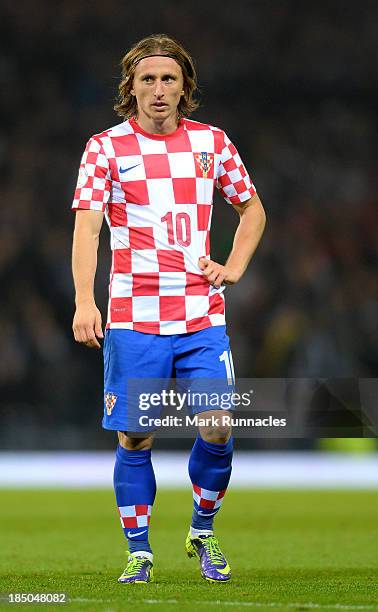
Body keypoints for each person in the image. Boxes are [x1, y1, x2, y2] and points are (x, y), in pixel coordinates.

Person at [71, 33, 266, 584]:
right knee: (136, 436)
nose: (158, 90)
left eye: (169, 79)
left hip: (201, 315)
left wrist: (233, 266)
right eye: (148, 79)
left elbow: (252, 211)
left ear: (186, 88)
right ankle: (139, 550)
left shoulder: (212, 143)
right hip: (134, 317)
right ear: (130, 87)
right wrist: (86, 299)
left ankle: (202, 531)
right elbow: (87, 230)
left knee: (219, 426)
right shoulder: (104, 147)